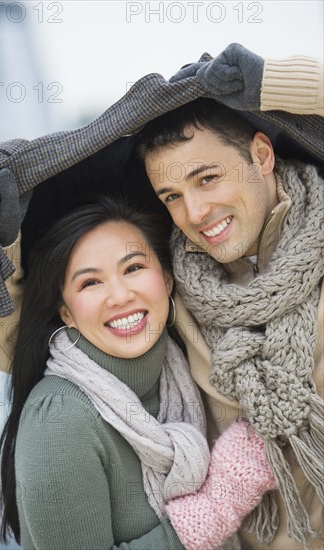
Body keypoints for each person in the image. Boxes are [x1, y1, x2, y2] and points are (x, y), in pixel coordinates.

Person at [0, 196, 275, 549]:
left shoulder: (190, 365)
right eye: (90, 283)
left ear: (168, 279)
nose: (120, 295)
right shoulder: (60, 416)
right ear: (66, 312)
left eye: (133, 268)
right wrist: (215, 507)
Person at [138, 91, 323, 550]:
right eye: (172, 197)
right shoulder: (172, 289)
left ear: (261, 156)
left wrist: (271, 81)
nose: (194, 214)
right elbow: (47, 343)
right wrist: (7, 243)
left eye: (208, 178)